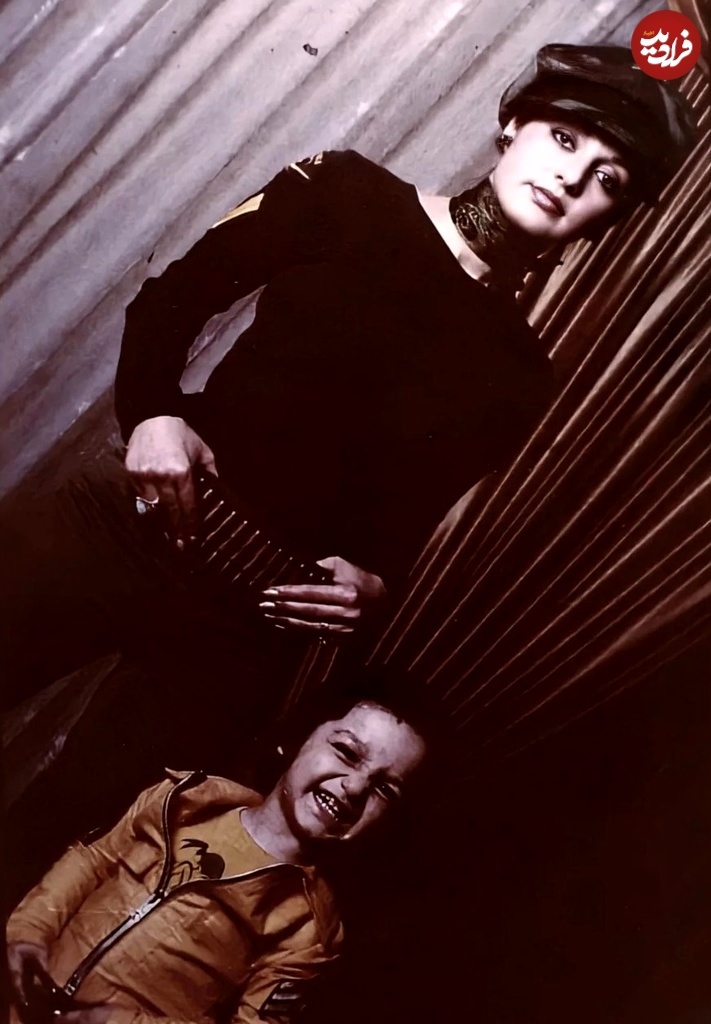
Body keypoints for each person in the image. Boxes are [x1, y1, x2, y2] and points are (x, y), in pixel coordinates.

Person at [2, 44, 696, 883]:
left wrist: (374, 584)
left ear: (607, 219)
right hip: (134, 525)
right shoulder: (345, 192)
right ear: (513, 124)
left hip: (246, 630)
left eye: (606, 178)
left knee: (63, 846)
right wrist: (152, 413)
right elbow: (172, 297)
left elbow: (396, 521)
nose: (570, 177)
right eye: (563, 138)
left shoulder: (519, 375)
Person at [6, 691, 431, 1024]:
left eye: (384, 789)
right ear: (296, 741)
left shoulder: (307, 929)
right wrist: (28, 935)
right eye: (346, 752)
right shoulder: (182, 801)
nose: (354, 788)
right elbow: (91, 861)